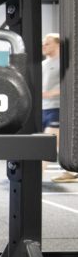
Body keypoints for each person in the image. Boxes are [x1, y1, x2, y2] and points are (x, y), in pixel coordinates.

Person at [42, 33, 78, 182]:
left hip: (59, 108)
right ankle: (71, 172)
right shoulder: (44, 64)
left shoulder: (65, 63)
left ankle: (34, 177)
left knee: (46, 143)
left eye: (48, 43)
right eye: (44, 43)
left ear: (58, 45)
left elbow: (72, 83)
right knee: (58, 144)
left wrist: (52, 93)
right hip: (44, 108)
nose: (44, 46)